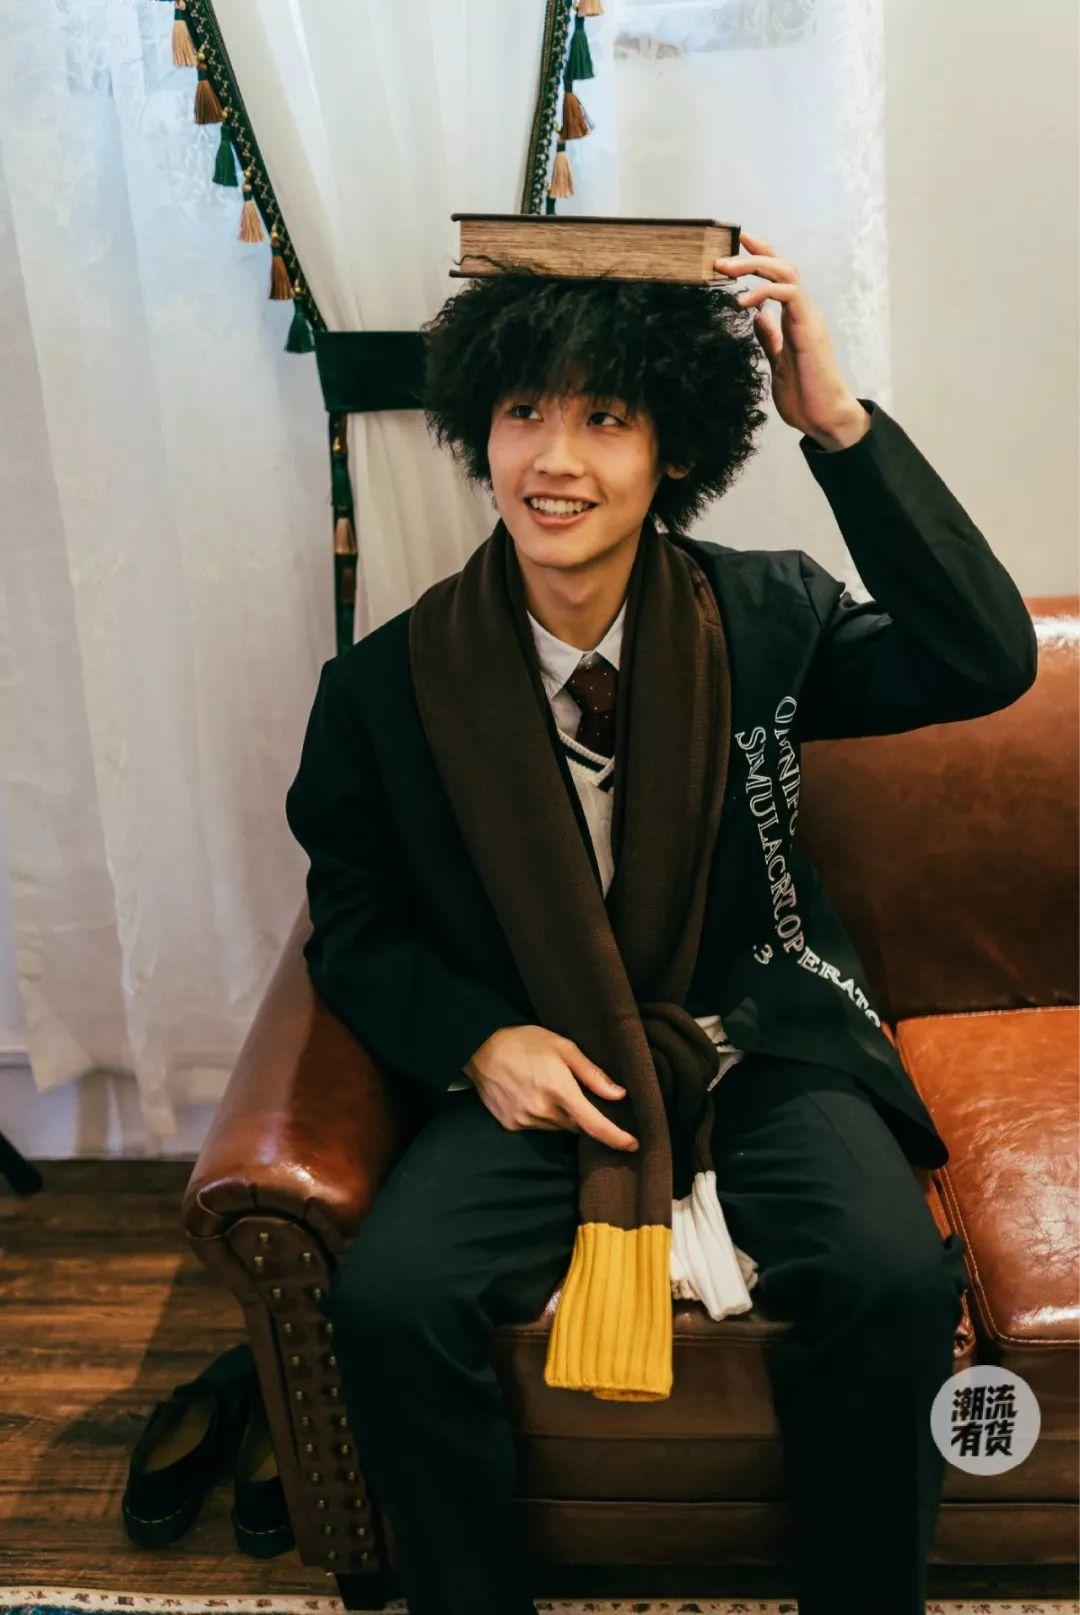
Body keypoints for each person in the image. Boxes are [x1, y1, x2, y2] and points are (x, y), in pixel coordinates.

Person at [283, 228, 1037, 1615]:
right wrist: (479, 1043)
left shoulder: (768, 615)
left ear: (674, 450)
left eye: (606, 419)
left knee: (886, 1280)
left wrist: (836, 423)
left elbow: (982, 660)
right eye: (524, 412)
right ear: (479, 429)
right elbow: (355, 917)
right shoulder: (386, 688)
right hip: (548, 1052)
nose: (554, 460)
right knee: (390, 1304)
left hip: (762, 1031)